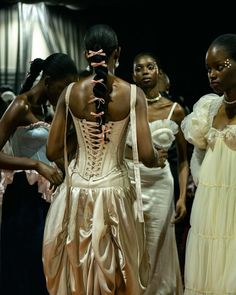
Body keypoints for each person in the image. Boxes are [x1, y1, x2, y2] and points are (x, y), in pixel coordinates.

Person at [42, 24, 167, 295]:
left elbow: (52, 152)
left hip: (76, 193)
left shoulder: (70, 93)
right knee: (116, 275)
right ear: (117, 53)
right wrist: (159, 157)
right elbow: (146, 155)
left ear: (86, 55)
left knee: (78, 270)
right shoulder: (133, 94)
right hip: (115, 193)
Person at [0, 53, 78, 295]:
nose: (66, 94)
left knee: (44, 260)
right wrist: (36, 166)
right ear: (48, 81)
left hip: (44, 195)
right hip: (24, 194)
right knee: (27, 260)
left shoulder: (46, 110)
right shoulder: (20, 105)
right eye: (63, 87)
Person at [126, 51, 189, 294]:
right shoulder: (127, 108)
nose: (144, 73)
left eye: (149, 67)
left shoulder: (175, 110)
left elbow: (183, 158)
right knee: (134, 244)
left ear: (158, 72)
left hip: (162, 185)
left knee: (156, 244)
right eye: (138, 69)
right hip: (132, 183)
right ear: (132, 75)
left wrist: (182, 196)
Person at [181, 33, 236, 294]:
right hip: (211, 204)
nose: (212, 74)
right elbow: (198, 154)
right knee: (210, 267)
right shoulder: (209, 109)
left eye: (220, 66)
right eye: (208, 69)